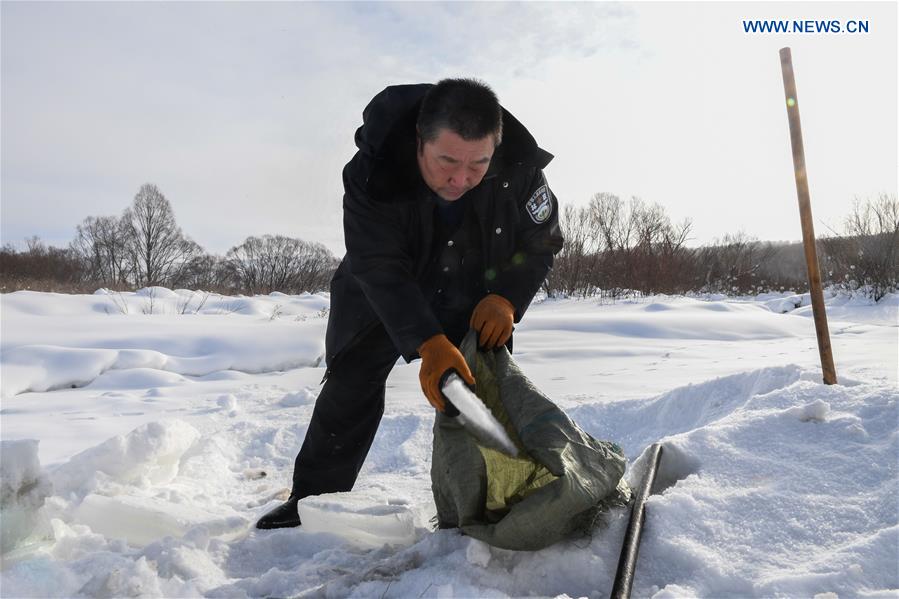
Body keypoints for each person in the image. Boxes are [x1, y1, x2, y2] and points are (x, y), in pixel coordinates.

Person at [256, 78, 563, 529]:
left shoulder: (521, 169)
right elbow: (376, 262)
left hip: (475, 293)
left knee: (482, 390)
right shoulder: (372, 170)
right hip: (382, 293)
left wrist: (507, 299)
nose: (461, 179)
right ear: (420, 140)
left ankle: (486, 505)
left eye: (478, 164)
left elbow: (541, 242)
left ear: (494, 147)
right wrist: (428, 342)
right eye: (447, 162)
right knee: (351, 386)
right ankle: (313, 502)